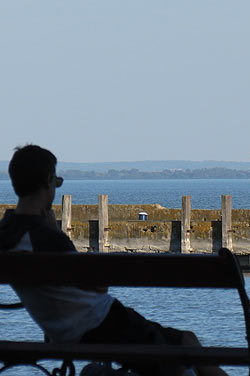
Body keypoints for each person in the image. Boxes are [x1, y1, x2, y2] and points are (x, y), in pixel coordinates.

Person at [0, 145, 226, 376]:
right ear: (48, 181)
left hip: (62, 332)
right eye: (55, 183)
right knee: (184, 345)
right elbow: (98, 286)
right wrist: (55, 232)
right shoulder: (46, 237)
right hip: (102, 322)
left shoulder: (7, 234)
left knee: (178, 349)